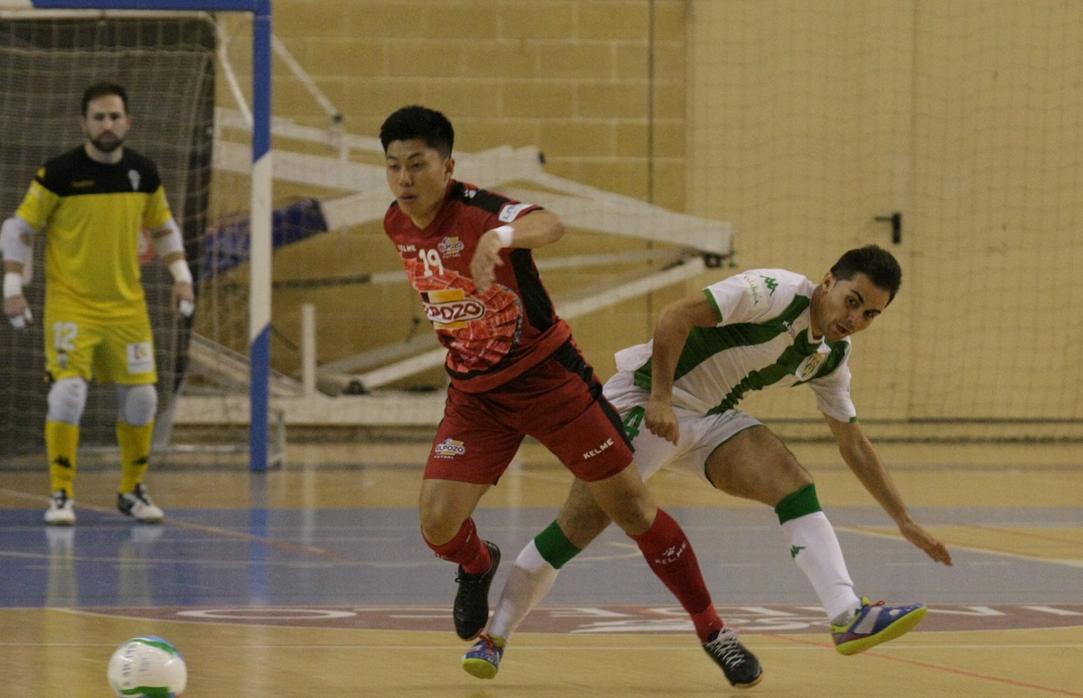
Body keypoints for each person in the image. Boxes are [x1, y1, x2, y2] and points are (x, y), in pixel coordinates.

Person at [379, 105, 762, 688]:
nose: (404, 179)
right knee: (436, 524)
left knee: (631, 506)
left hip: (548, 381)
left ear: (448, 166)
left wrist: (499, 240)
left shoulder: (482, 212)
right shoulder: (396, 223)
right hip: (476, 397)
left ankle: (714, 630)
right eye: (393, 167)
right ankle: (478, 566)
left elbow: (551, 223)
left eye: (417, 164)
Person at [462, 245, 954, 679]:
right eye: (853, 301)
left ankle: (848, 615)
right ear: (828, 281)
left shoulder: (830, 355)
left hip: (712, 418)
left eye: (871, 314)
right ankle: (496, 635)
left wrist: (904, 520)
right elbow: (675, 315)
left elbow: (854, 443)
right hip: (643, 402)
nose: (855, 319)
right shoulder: (775, 291)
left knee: (794, 483)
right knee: (577, 526)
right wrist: (659, 399)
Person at [1, 81, 194, 526]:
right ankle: (61, 494)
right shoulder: (59, 174)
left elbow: (163, 227)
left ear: (127, 121)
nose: (107, 125)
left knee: (144, 398)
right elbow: (18, 229)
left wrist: (181, 278)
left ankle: (132, 490)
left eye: (114, 116)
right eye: (98, 117)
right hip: (72, 306)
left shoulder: (143, 173)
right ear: (84, 122)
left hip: (127, 308)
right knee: (68, 393)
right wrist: (12, 287)